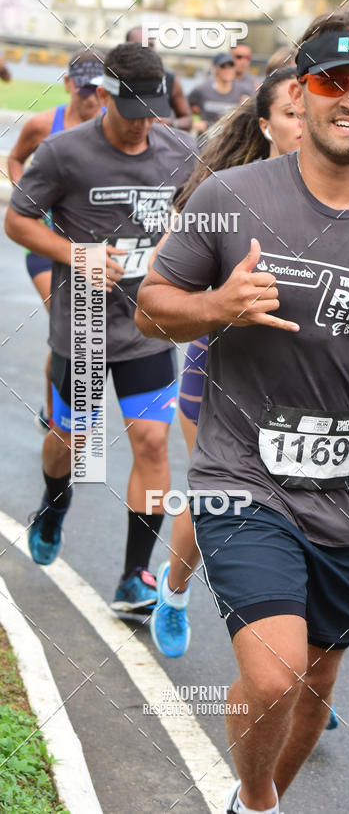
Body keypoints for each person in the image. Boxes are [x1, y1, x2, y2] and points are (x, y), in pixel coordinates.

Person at [136, 4, 349, 814]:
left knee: (316, 682)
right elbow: (151, 306)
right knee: (275, 673)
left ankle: (255, 799)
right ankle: (256, 799)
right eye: (334, 82)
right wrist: (216, 305)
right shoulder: (230, 196)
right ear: (302, 91)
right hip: (242, 475)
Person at [4, 42, 196, 611]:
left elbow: (201, 215)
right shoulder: (64, 153)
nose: (142, 126)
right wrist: (76, 253)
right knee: (74, 441)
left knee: (153, 441)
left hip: (146, 326)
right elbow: (17, 220)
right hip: (83, 326)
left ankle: (134, 576)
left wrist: (176, 247)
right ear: (105, 95)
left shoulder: (180, 151)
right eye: (132, 112)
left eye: (151, 113)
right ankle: (54, 503)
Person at [149, 68, 301, 657]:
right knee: (217, 494)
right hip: (219, 374)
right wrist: (220, 301)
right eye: (289, 113)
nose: (303, 123)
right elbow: (160, 286)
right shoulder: (227, 195)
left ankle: (306, 666)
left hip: (307, 389)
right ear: (265, 126)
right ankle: (175, 590)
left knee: (305, 508)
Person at [7, 50, 105, 432]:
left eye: (97, 88)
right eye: (83, 88)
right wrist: (26, 198)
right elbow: (15, 159)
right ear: (67, 84)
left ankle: (60, 413)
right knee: (71, 327)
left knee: (83, 334)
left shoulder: (113, 126)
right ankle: (55, 419)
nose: (91, 96)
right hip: (45, 248)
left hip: (92, 249)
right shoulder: (44, 124)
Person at [125, 26, 193, 131]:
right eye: (140, 46)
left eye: (151, 45)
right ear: (126, 48)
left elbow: (188, 120)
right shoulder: (116, 76)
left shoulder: (169, 79)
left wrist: (168, 123)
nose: (147, 50)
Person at [188, 52, 247, 135]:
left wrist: (245, 107)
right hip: (207, 138)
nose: (228, 70)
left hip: (230, 138)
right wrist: (196, 122)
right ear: (215, 69)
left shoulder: (242, 91)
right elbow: (184, 110)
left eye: (231, 66)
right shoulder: (202, 89)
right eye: (223, 67)